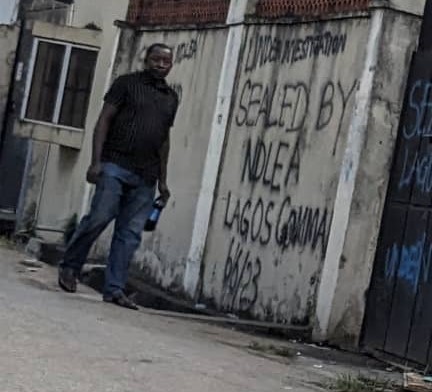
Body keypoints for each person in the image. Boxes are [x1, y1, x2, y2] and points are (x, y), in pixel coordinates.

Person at [58, 43, 179, 310]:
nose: (161, 64)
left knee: (130, 233)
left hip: (146, 175)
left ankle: (114, 289)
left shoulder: (171, 97)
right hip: (114, 164)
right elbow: (104, 120)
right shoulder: (126, 84)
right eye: (156, 59)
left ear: (171, 65)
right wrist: (95, 162)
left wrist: (163, 179)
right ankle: (70, 266)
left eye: (166, 61)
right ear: (145, 59)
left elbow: (164, 140)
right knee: (100, 217)